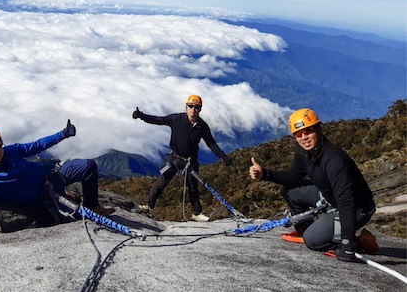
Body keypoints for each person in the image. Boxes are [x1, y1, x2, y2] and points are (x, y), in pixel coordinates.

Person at [248, 108, 376, 262]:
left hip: (357, 210)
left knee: (312, 241)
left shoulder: (334, 160)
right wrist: (265, 174)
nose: (304, 137)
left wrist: (347, 245)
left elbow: (346, 202)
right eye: (298, 134)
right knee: (290, 191)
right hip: (331, 197)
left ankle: (356, 241)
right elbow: (293, 177)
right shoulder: (305, 154)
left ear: (318, 129)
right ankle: (307, 229)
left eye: (308, 131)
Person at [0, 120, 115, 218]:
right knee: (77, 216)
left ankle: (93, 206)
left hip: (51, 178)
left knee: (88, 166)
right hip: (45, 197)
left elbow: (36, 146)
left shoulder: (10, 152)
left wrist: (63, 134)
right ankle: (66, 195)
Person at [132, 94, 233, 222]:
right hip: (174, 158)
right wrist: (141, 116)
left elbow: (211, 143)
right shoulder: (176, 119)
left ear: (200, 109)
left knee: (192, 188)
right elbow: (158, 120)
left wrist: (223, 157)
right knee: (162, 182)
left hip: (190, 161)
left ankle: (196, 213)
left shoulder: (202, 126)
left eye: (196, 107)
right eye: (190, 106)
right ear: (186, 107)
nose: (193, 109)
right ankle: (148, 205)